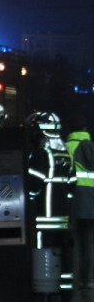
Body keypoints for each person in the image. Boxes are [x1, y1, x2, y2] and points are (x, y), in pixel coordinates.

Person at [66, 115, 94, 289]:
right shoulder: (92, 147)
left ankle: (74, 279)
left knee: (73, 241)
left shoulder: (66, 147)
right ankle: (89, 279)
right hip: (92, 202)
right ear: (85, 129)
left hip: (73, 200)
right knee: (89, 243)